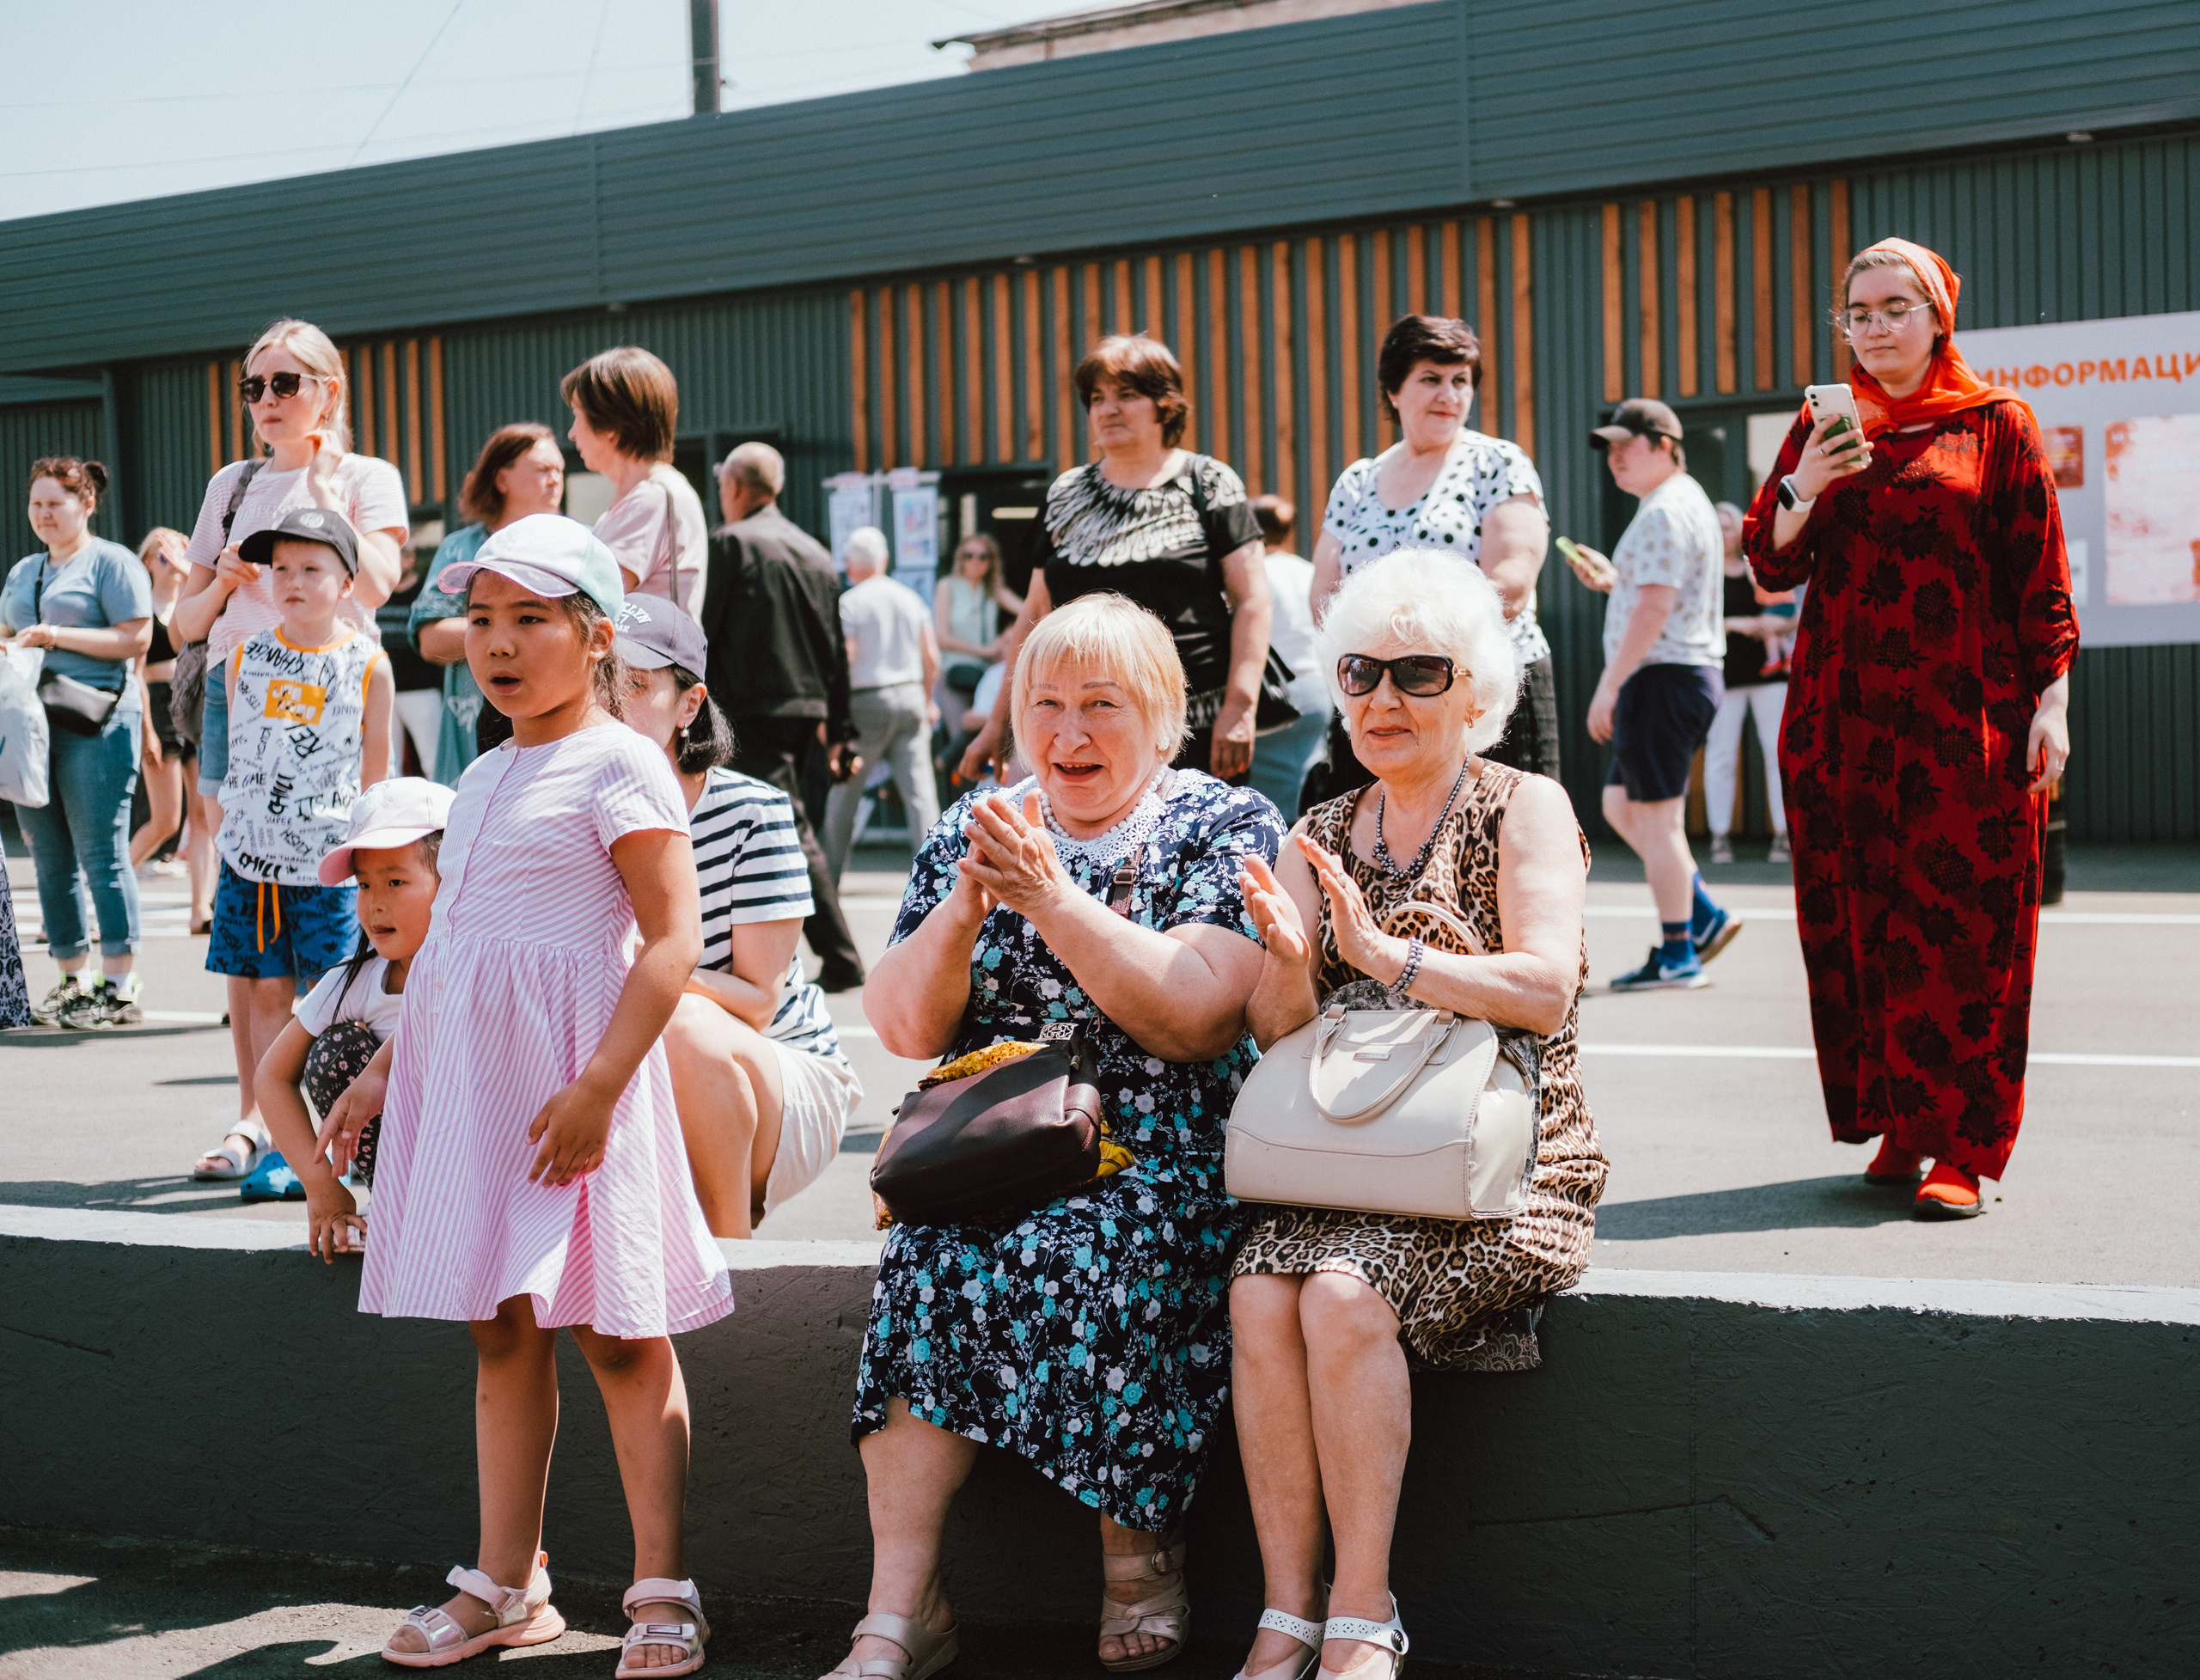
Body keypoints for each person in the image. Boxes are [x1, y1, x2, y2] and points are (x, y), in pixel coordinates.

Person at [829, 593, 1282, 1680]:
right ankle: (901, 1606)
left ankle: (1139, 1550)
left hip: (1163, 1149)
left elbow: (1198, 1018)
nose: (1068, 733)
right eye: (1045, 704)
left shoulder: (1225, 823)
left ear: (1166, 720)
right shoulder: (978, 824)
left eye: (1100, 706)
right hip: (993, 1147)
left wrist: (1049, 899)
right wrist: (967, 907)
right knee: (927, 1257)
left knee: (1112, 1244)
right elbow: (900, 1024)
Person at [322, 513, 727, 1672]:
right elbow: (458, 948)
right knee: (498, 1327)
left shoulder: (621, 759)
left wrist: (602, 1081)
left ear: (595, 635)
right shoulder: (487, 767)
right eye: (483, 620)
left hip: (573, 1091)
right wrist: (391, 1067)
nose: (497, 645)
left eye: (530, 619)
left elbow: (672, 939)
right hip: (476, 1094)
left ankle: (662, 1584)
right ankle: (508, 1579)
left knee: (616, 1330)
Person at [1229, 550, 1604, 1680]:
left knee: (1342, 1295)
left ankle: (1361, 1608)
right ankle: (1286, 1607)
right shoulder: (1326, 818)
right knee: (1257, 1288)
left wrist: (1388, 956)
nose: (1382, 698)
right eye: (1361, 671)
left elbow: (1546, 984)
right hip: (1353, 1158)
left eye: (1417, 671)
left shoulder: (1522, 804)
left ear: (1476, 691)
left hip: (1503, 1160)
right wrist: (1292, 964)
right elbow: (1274, 1023)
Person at [1743, 236, 2076, 1219]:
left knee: (1966, 929)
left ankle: (1962, 1146)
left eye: (1897, 307)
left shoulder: (1996, 425)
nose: (1877, 326)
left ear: (1939, 317)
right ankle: (1898, 1119)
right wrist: (1807, 482)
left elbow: (2039, 575)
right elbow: (1769, 559)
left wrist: (2052, 704)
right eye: (1860, 311)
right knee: (1862, 924)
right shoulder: (1820, 424)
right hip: (1841, 721)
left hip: (1963, 721)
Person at [172, 318, 406, 1173]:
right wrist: (232, 576)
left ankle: (336, 1125)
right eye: (254, 387)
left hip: (335, 722)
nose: (266, 402)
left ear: (327, 391)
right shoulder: (230, 485)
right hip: (242, 710)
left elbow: (377, 582)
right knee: (256, 949)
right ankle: (258, 1121)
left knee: (340, 949)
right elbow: (183, 624)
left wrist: (318, 497)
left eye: (285, 384)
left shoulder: (364, 478)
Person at [614, 595, 862, 1237]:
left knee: (684, 1016)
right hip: (645, 1058)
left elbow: (757, 1000)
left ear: (690, 705)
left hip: (783, 1067)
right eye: (603, 683)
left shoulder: (753, 811)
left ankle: (728, 1256)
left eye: (637, 685)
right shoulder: (579, 809)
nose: (615, 704)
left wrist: (654, 960)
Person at [957, 333, 1272, 785]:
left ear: (1165, 405)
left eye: (1127, 395)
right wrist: (997, 722)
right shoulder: (1066, 493)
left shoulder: (1208, 482)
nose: (1108, 409)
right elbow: (1035, 613)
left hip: (1188, 729)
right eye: (1097, 398)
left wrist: (1240, 709)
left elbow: (1252, 602)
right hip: (1078, 732)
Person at [195, 510, 394, 1188]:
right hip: (252, 861)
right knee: (268, 990)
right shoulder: (244, 654)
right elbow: (231, 755)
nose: (293, 581)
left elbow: (376, 768)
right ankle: (279, 1142)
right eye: (281, 568)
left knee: (331, 998)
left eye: (312, 568)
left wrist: (373, 854)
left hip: (330, 865)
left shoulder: (368, 662)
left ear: (347, 582)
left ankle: (341, 1139)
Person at [1307, 315, 1556, 799]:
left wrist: (1414, 662)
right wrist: (1385, 672)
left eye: (1460, 381)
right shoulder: (1357, 482)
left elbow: (1511, 586)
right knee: (1378, 852)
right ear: (1394, 391)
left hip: (1478, 696)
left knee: (1499, 846)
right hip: (1377, 697)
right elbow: (1325, 598)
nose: (1450, 394)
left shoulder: (1497, 463)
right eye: (1431, 379)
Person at [1571, 398, 1738, 992]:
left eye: (1627, 443)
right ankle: (1701, 915)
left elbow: (1656, 606)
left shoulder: (1665, 510)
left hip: (1663, 676)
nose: (1615, 457)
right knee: (1622, 805)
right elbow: (1652, 593)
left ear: (1666, 443)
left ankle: (1679, 952)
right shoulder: (1679, 502)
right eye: (1609, 447)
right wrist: (1614, 581)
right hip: (1676, 673)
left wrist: (1608, 687)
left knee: (1658, 821)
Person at [254, 777, 451, 1256]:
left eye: (396, 881)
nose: (375, 901)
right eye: (364, 884)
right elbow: (272, 1078)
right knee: (335, 1050)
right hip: (404, 1174)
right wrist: (322, 1187)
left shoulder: (488, 969)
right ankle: (394, 1203)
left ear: (455, 879)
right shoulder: (354, 981)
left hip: (481, 1169)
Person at [700, 440, 866, 992]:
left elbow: (705, 632)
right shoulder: (815, 552)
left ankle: (840, 955)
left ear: (734, 488)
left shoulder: (730, 544)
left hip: (750, 705)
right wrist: (841, 729)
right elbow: (834, 649)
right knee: (785, 822)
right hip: (806, 708)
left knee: (787, 826)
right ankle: (796, 951)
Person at [2, 458, 153, 1029]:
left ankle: (118, 982)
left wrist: (55, 635)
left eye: (56, 503)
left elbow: (136, 636)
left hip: (97, 720)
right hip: (30, 728)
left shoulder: (111, 562)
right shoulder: (22, 570)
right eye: (36, 504)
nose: (44, 514)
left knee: (102, 853)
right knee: (48, 857)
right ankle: (72, 977)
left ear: (86, 503)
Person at [412, 424, 568, 785]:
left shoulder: (574, 546)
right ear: (502, 479)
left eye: (559, 470)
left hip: (556, 743)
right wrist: (520, 630)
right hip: (470, 744)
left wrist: (487, 628)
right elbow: (430, 640)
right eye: (543, 469)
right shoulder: (459, 549)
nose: (555, 480)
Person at [822, 526, 941, 880]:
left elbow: (845, 660)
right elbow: (931, 659)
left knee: (845, 793)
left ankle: (828, 880)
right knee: (920, 796)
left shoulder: (851, 602)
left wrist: (836, 714)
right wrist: (928, 699)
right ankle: (938, 879)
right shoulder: (910, 598)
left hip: (866, 701)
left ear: (850, 565)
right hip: (910, 696)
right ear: (885, 559)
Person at [565, 346, 709, 619]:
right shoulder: (649, 495)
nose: (572, 433)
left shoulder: (652, 499)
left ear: (609, 424)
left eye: (576, 413)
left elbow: (588, 608)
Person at [1703, 502, 1792, 866]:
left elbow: (1791, 615)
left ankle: (1783, 836)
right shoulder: (1704, 575)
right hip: (1724, 675)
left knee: (1777, 754)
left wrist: (1771, 625)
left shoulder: (1759, 570)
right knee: (1721, 754)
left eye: (1729, 526)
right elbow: (1693, 621)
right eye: (1718, 526)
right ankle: (1719, 836)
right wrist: (1739, 625)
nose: (1725, 533)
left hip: (1769, 674)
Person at [1244, 495, 1332, 823]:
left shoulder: (1249, 577)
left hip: (1269, 695)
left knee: (1266, 800)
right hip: (1316, 690)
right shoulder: (1307, 571)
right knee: (1309, 786)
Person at [128, 528, 192, 875]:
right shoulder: (141, 604)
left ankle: (201, 906)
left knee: (203, 818)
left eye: (180, 553)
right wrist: (146, 728)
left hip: (192, 704)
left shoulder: (189, 600)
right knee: (165, 819)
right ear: (149, 562)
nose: (173, 563)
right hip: (158, 706)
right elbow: (136, 671)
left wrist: (187, 575)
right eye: (164, 556)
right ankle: (106, 887)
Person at [933, 530, 1021, 719]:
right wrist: (985, 651)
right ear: (961, 559)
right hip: (953, 672)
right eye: (969, 555)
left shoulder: (992, 589)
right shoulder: (947, 587)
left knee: (985, 731)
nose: (975, 561)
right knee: (960, 734)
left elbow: (1027, 611)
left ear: (991, 562)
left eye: (983, 557)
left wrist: (1008, 638)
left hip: (985, 674)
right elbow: (942, 638)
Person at [379, 528, 444, 777]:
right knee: (387, 767)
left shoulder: (425, 594)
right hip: (384, 693)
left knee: (434, 762)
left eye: (395, 555)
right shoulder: (378, 594)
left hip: (421, 689)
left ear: (410, 559)